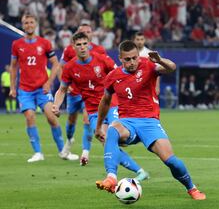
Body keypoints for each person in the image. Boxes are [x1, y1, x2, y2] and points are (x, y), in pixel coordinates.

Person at [94, 40, 206, 200]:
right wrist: (99, 126)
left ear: (138, 56)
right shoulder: (113, 76)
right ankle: (111, 177)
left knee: (172, 162)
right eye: (127, 59)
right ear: (120, 58)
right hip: (127, 122)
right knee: (112, 128)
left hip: (150, 122)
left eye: (134, 58)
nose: (132, 62)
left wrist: (159, 60)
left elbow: (172, 67)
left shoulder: (148, 65)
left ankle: (192, 188)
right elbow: (105, 101)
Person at [52, 33, 149, 180]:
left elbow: (120, 74)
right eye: (79, 44)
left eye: (85, 43)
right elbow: (62, 89)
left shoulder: (102, 59)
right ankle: (140, 172)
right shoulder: (70, 67)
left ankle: (137, 136)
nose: (82, 47)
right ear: (73, 46)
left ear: (90, 44)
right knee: (107, 142)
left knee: (115, 135)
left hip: (111, 104)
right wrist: (56, 105)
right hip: (92, 111)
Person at [9, 14, 77, 162]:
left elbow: (55, 64)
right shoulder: (17, 44)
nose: (28, 25)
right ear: (23, 25)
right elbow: (14, 67)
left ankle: (63, 151)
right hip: (25, 90)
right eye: (25, 22)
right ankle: (38, 153)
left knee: (52, 118)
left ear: (36, 24)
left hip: (42, 89)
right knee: (30, 116)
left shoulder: (45, 43)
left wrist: (49, 82)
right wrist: (12, 87)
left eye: (31, 22)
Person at [59, 23, 106, 165]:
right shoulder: (69, 50)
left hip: (91, 92)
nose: (86, 33)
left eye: (88, 31)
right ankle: (69, 139)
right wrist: (66, 86)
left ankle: (85, 153)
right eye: (83, 31)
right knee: (71, 120)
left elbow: (104, 69)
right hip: (73, 91)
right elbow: (62, 67)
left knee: (87, 120)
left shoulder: (100, 50)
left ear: (91, 35)